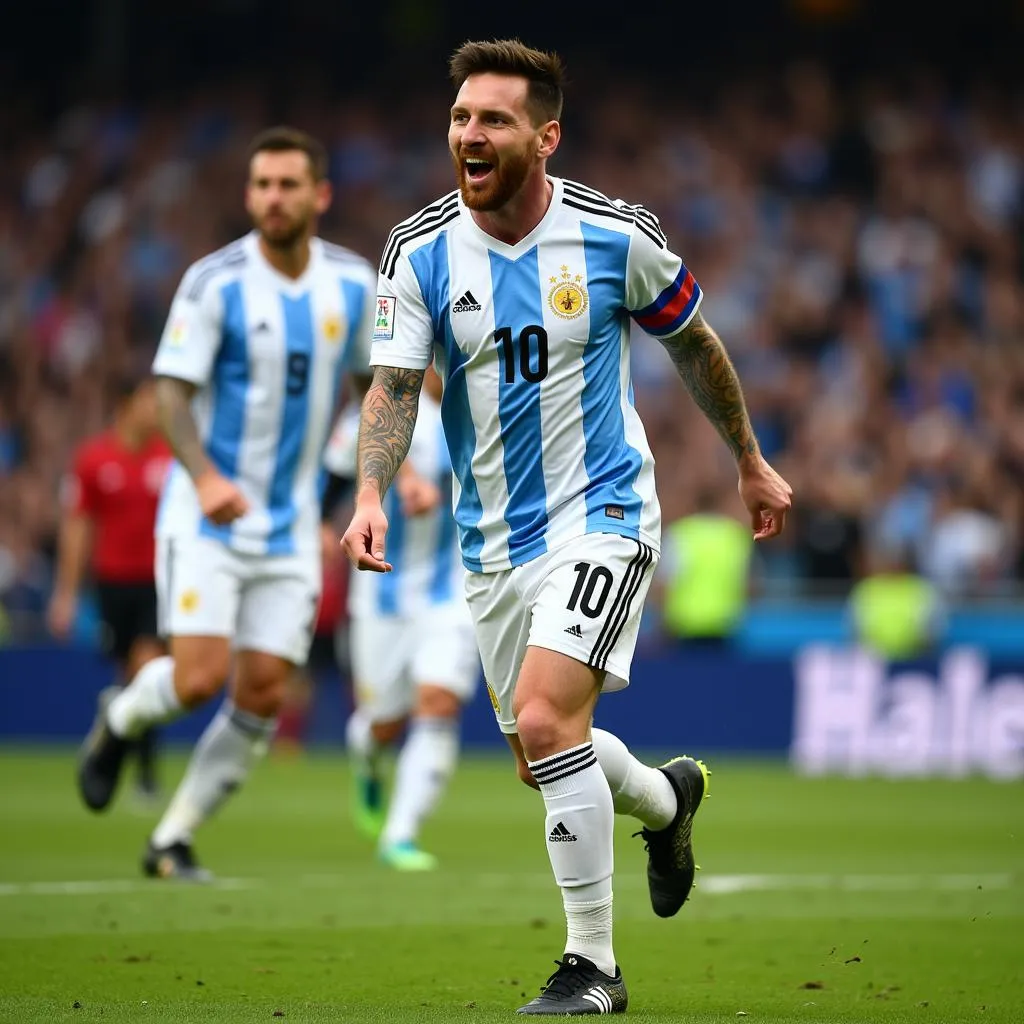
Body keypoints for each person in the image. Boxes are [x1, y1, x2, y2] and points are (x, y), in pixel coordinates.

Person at [342, 40, 793, 1016]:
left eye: (493, 119)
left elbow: (694, 342)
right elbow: (389, 388)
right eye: (461, 116)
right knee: (541, 752)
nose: (470, 133)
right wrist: (369, 491)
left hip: (604, 513)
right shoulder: (416, 249)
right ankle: (666, 801)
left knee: (548, 721)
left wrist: (748, 460)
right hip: (491, 540)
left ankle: (592, 965)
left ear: (544, 137)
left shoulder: (613, 235)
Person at [76, 125, 377, 881]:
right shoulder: (215, 282)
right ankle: (119, 717)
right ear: (249, 195)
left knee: (265, 691)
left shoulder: (353, 284)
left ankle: (172, 838)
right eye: (262, 186)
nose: (273, 199)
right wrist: (207, 475)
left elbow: (375, 391)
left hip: (289, 528)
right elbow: (172, 393)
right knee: (199, 678)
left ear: (319, 195)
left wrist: (370, 479)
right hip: (207, 514)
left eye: (287, 185)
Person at [324, 365, 480, 871]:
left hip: (448, 589)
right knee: (384, 723)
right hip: (380, 595)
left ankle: (400, 835)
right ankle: (367, 755)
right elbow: (336, 478)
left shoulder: (467, 413)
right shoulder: (362, 421)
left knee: (437, 702)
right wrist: (407, 479)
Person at [49, 375, 171, 802]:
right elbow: (78, 527)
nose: (158, 410)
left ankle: (146, 773)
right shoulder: (93, 459)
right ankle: (125, 741)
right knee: (132, 677)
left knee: (148, 665)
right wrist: (65, 592)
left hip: (158, 581)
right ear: (126, 404)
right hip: (112, 583)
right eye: (150, 401)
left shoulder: (172, 456)